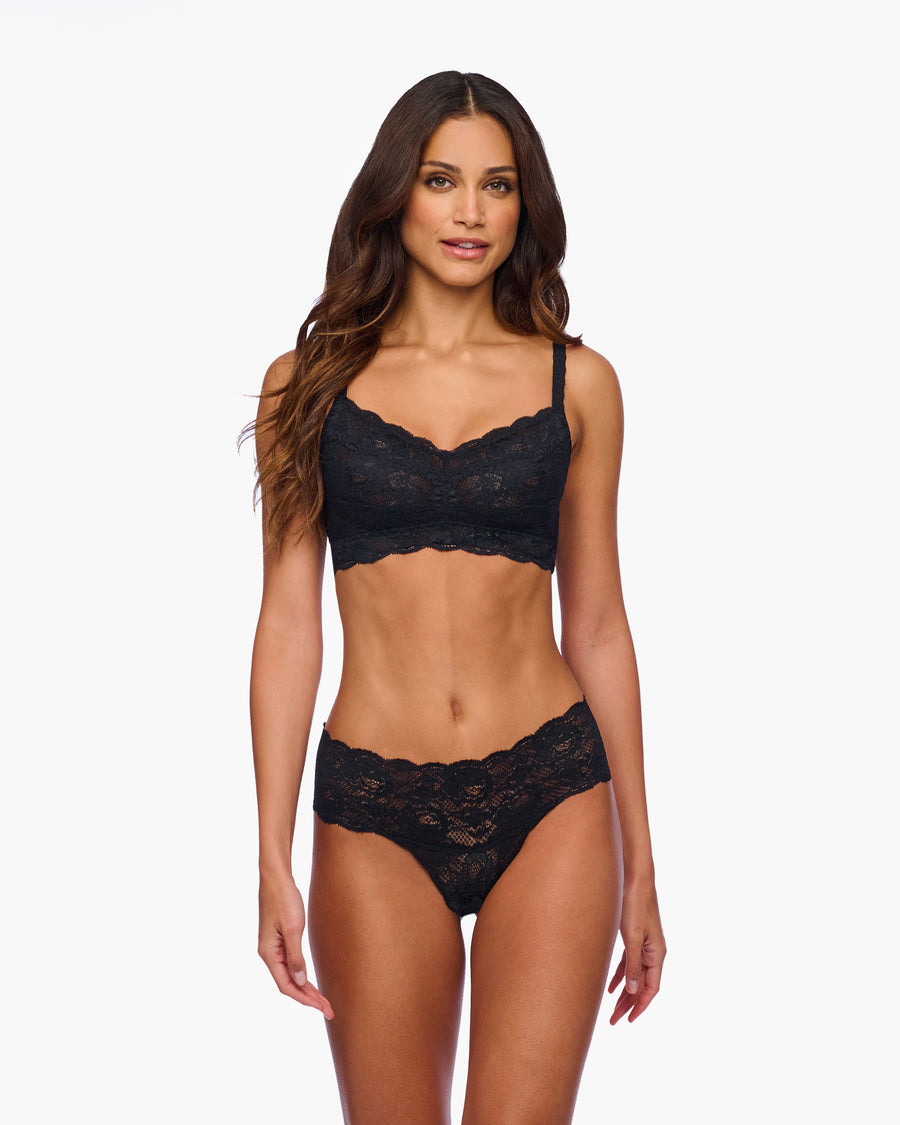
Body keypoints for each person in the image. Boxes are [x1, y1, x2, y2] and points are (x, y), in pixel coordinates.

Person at [244, 70, 666, 1125]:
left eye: (497, 185)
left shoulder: (579, 383)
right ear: (396, 193)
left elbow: (599, 625)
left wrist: (643, 864)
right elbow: (288, 623)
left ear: (526, 206)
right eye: (441, 180)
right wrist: (270, 852)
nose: (470, 211)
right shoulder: (307, 384)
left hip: (552, 792)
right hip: (372, 810)